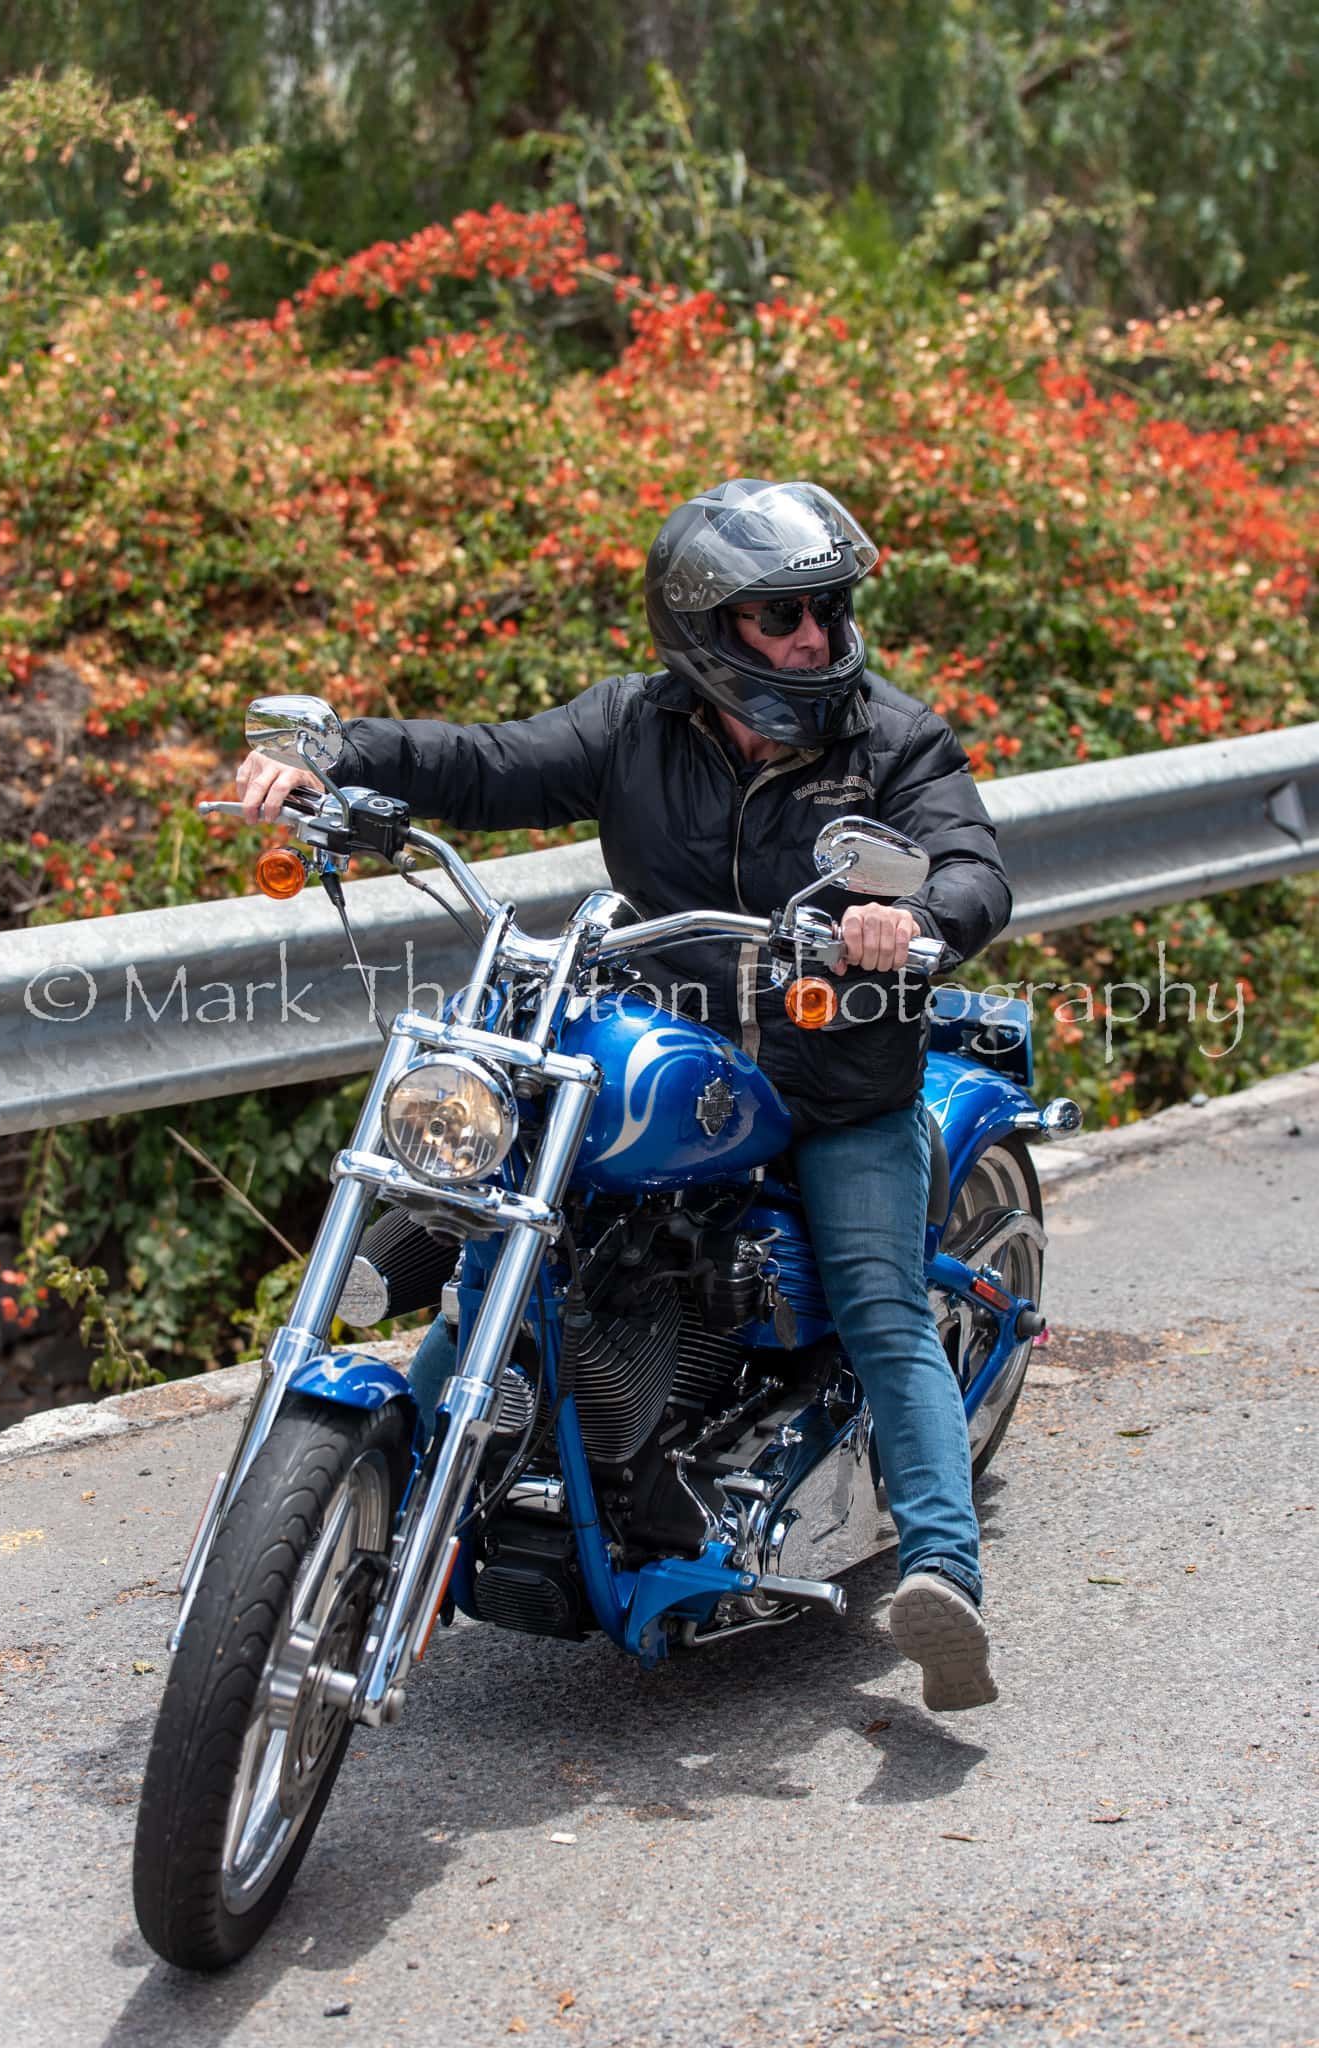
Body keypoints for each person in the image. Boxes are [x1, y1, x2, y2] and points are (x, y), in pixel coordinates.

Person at [236, 478, 1013, 1712]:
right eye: (780, 615)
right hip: (666, 1055)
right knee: (506, 1227)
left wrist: (910, 916)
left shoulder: (890, 739)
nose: (813, 635)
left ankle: (940, 1570)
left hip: (832, 1081)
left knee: (877, 1301)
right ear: (707, 627)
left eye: (824, 606)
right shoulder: (635, 726)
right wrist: (333, 753)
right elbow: (482, 765)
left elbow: (969, 862)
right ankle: (382, 1482)